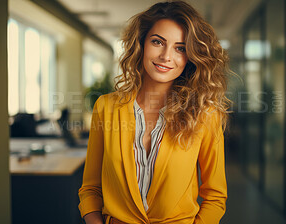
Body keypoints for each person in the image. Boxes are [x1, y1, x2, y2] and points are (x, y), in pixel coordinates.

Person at [78, 1, 231, 223]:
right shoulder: (106, 107)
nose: (166, 56)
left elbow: (215, 196)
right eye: (158, 42)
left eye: (180, 48)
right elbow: (90, 188)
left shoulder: (205, 114)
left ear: (190, 56)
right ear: (141, 44)